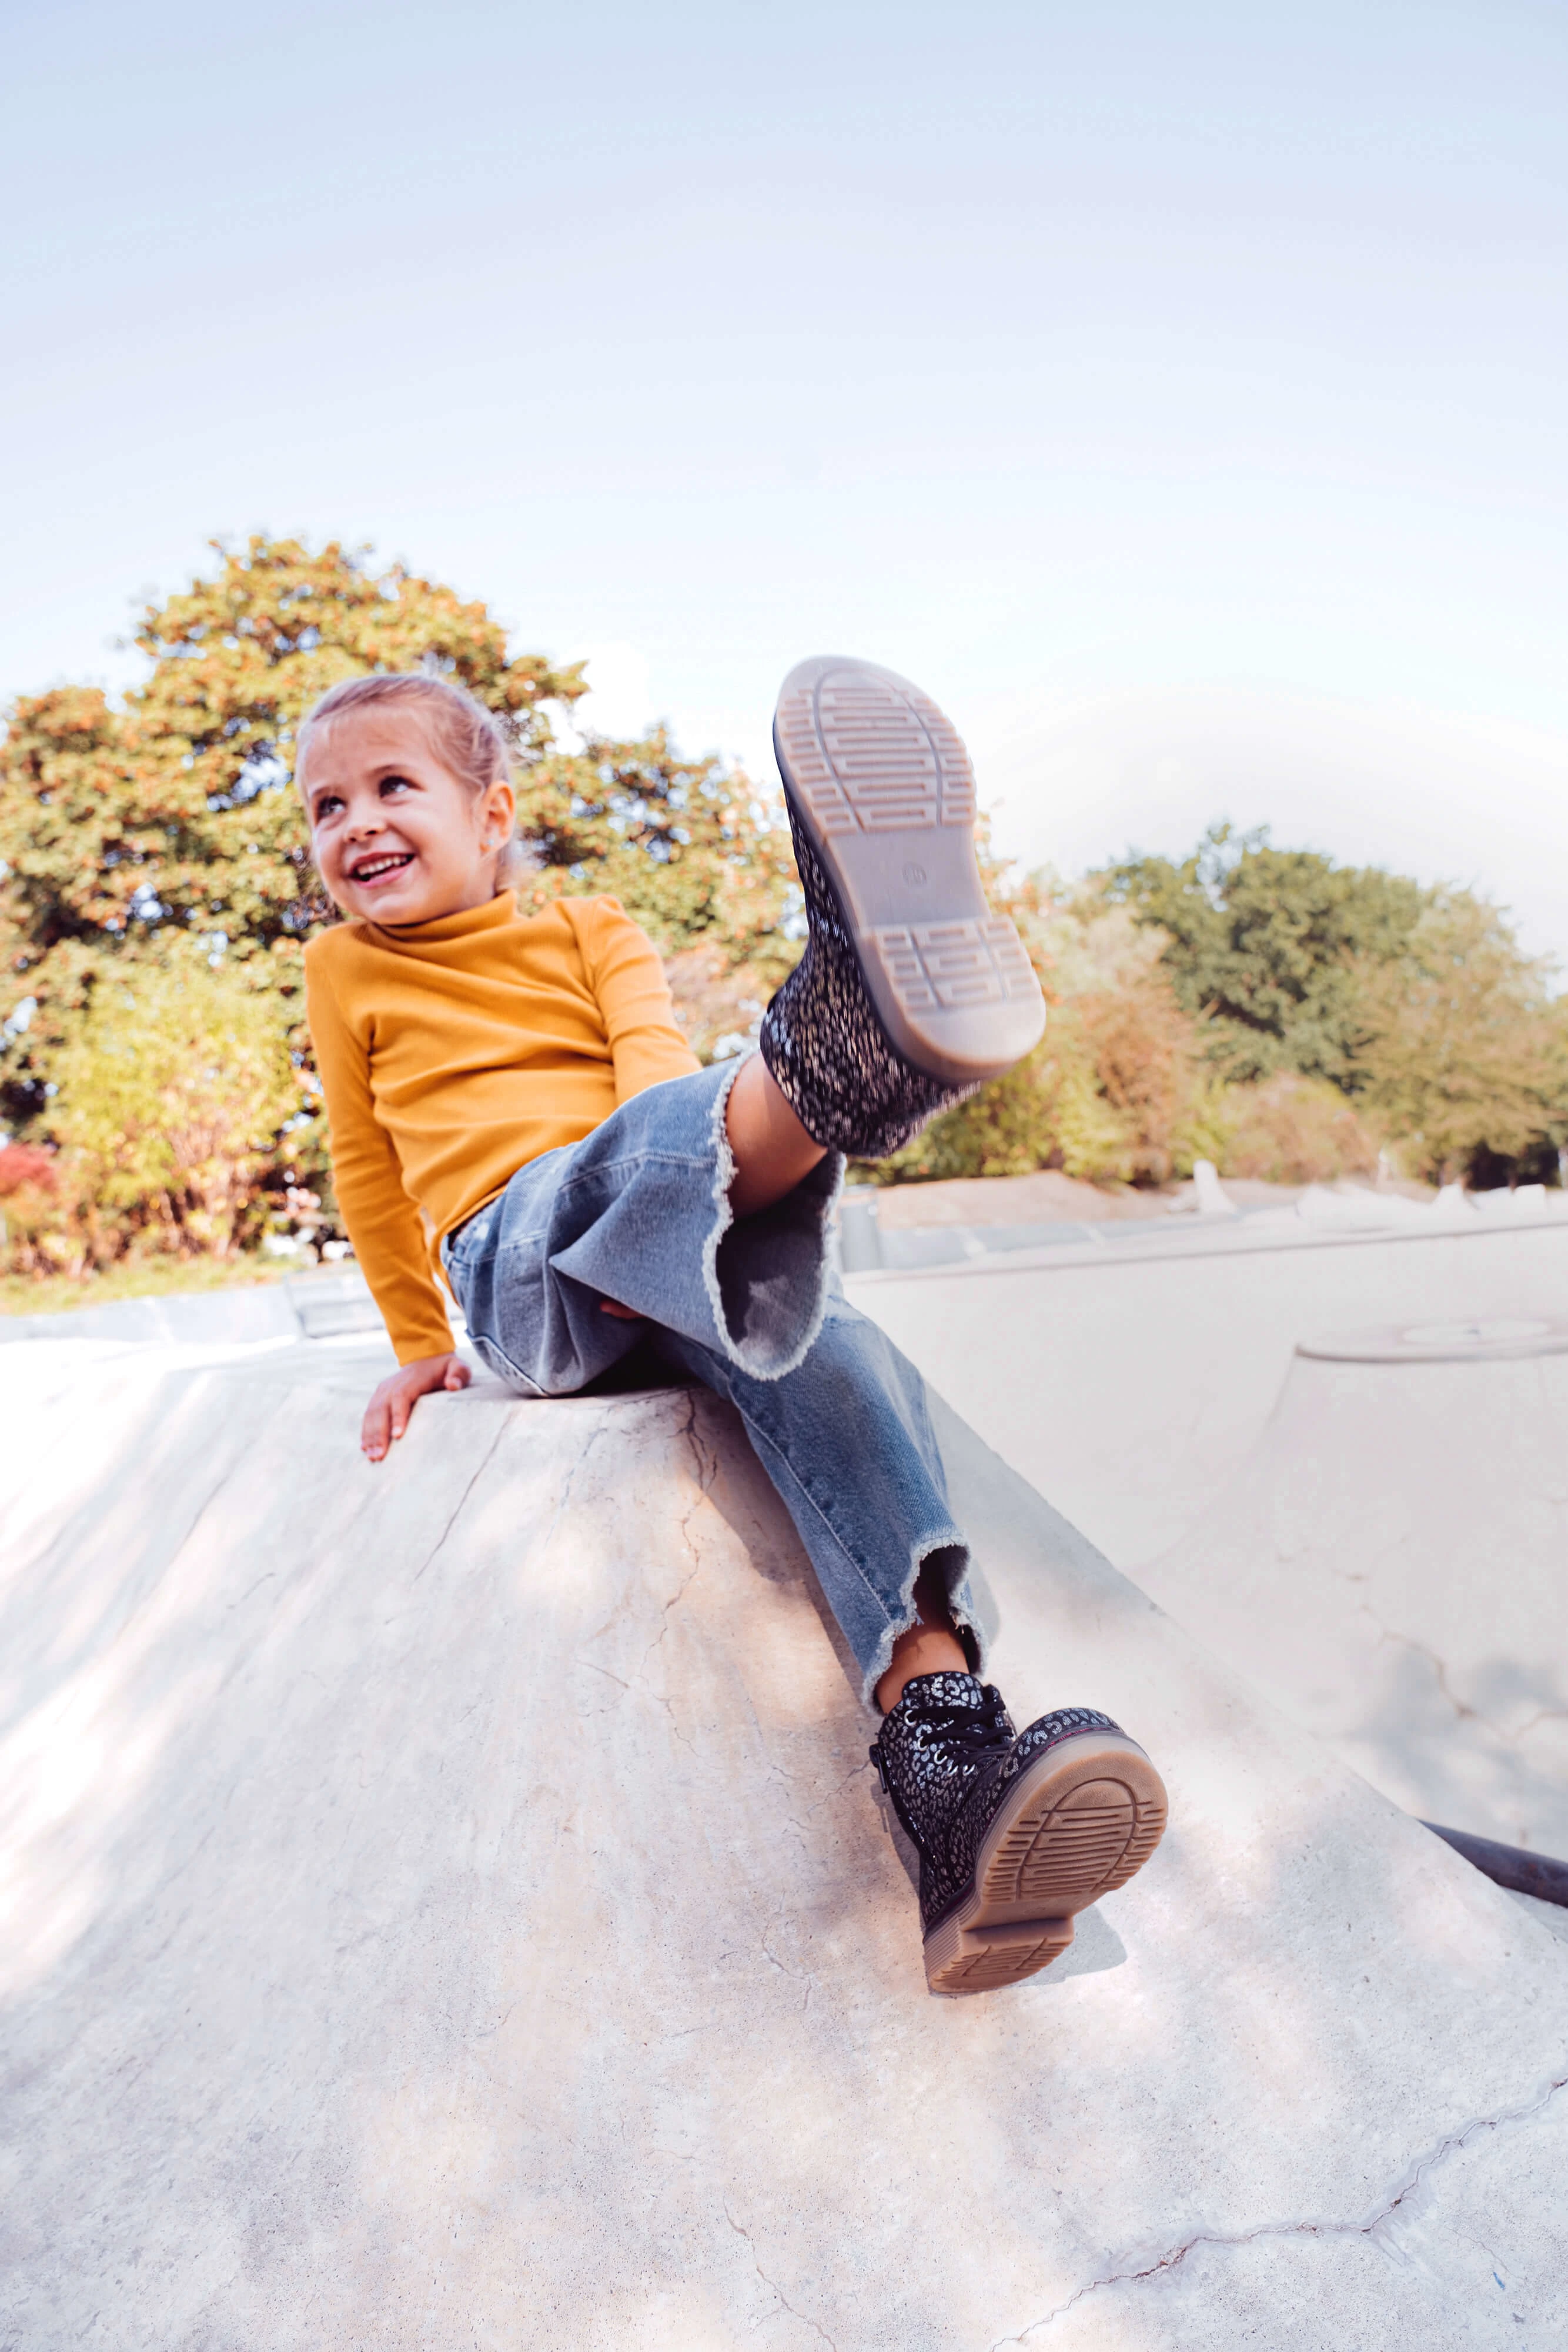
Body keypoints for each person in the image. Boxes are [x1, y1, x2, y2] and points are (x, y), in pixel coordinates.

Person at [300, 658, 1167, 1994]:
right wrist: (417, 1333)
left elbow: (652, 1072)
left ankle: (946, 1768)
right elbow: (366, 1168)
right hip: (515, 1265)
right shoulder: (342, 969)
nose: (354, 822)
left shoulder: (589, 928)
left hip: (655, 1240)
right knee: (605, 1168)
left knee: (837, 1347)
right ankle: (837, 1059)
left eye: (392, 785)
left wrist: (676, 1200)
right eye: (325, 807)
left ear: (492, 814)